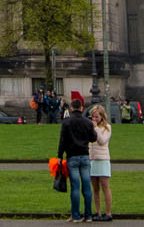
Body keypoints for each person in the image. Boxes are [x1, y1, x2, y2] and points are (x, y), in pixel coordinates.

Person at [57, 92, 95, 224]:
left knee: (75, 187)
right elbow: (94, 138)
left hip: (72, 156)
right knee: (86, 186)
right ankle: (89, 215)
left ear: (71, 108)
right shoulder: (88, 122)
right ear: (82, 108)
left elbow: (62, 141)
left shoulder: (66, 122)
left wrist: (60, 156)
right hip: (84, 155)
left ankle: (75, 215)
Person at [87, 102, 114, 220]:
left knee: (105, 187)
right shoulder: (91, 128)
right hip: (92, 160)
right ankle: (98, 212)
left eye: (96, 117)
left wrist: (96, 128)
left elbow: (102, 141)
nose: (94, 119)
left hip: (102, 160)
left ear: (102, 116)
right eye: (92, 117)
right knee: (95, 188)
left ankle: (108, 213)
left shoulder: (106, 128)